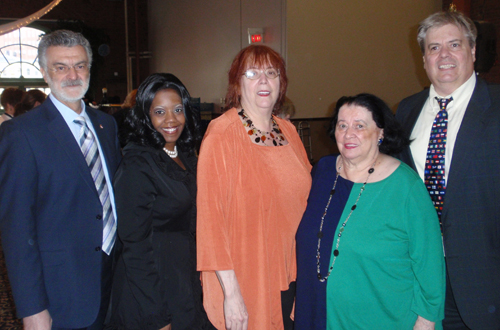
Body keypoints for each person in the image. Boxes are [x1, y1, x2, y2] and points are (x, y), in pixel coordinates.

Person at [0, 30, 121, 329]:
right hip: (61, 292)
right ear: (44, 71)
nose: (72, 75)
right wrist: (32, 309)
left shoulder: (107, 125)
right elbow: (16, 230)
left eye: (79, 65)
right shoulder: (22, 134)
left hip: (114, 281)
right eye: (60, 67)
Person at [295, 93, 445, 329]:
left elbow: (430, 262)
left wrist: (427, 320)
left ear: (381, 133)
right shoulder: (322, 171)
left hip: (382, 317)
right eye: (342, 125)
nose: (348, 133)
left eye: (360, 126)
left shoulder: (405, 186)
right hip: (318, 311)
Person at [396, 10, 500, 330]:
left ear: (472, 51)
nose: (444, 55)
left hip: (486, 285)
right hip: (421, 282)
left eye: (454, 45)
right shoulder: (405, 110)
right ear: (424, 58)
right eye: (433, 47)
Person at [196, 45, 312, 330]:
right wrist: (231, 293)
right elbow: (211, 222)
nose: (263, 80)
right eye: (252, 73)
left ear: (281, 83)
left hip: (293, 273)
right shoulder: (221, 134)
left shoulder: (289, 132)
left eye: (271, 73)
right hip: (248, 276)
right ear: (238, 83)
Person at [107, 73, 215, 330]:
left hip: (184, 280)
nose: (171, 119)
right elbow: (135, 249)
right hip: (151, 291)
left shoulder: (186, 155)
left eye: (178, 109)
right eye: (159, 112)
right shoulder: (137, 164)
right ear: (145, 116)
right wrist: (157, 317)